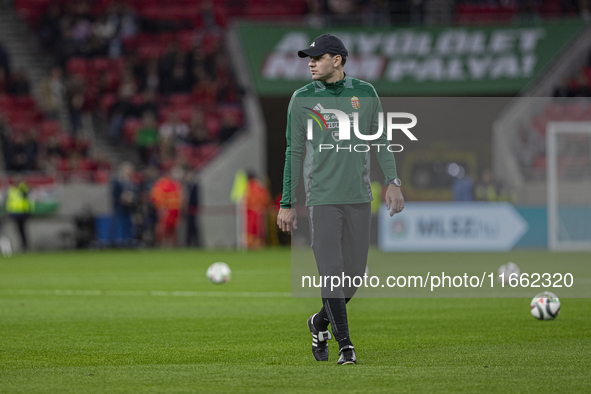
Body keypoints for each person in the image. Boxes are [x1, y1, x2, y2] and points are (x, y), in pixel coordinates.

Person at [276, 34, 404, 365]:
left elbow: (381, 139)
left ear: (338, 60)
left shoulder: (365, 93)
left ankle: (319, 322)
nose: (310, 63)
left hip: (359, 198)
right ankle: (345, 345)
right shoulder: (301, 99)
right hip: (322, 199)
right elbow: (294, 152)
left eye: (317, 58)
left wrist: (393, 181)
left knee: (355, 276)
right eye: (309, 58)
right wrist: (286, 203)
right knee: (331, 272)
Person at [151, 166, 184, 247]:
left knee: (173, 229)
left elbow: (180, 197)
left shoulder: (175, 184)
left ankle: (172, 245)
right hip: (166, 209)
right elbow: (156, 197)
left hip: (175, 210)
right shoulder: (161, 184)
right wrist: (160, 208)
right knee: (163, 228)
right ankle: (160, 244)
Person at [5, 180, 35, 251]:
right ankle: (23, 245)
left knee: (23, 230)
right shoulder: (12, 191)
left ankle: (25, 246)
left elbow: (29, 198)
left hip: (23, 213)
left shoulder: (22, 190)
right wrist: (9, 212)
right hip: (15, 213)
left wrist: (29, 211)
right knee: (19, 230)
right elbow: (9, 203)